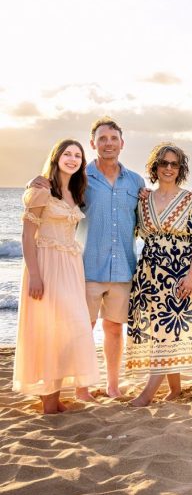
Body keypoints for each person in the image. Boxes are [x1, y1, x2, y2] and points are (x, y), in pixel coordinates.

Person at [30, 117, 145, 400]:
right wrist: (33, 183)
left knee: (115, 329)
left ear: (122, 143)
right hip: (86, 267)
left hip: (123, 268)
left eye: (113, 139)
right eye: (102, 139)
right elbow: (55, 194)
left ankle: (112, 386)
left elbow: (142, 222)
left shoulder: (135, 181)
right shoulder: (82, 177)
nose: (108, 144)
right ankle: (82, 388)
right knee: (82, 329)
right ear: (93, 143)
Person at [126, 143, 192, 406]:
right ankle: (176, 389)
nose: (168, 168)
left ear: (180, 169)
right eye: (164, 163)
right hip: (150, 274)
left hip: (181, 273)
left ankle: (147, 393)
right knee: (163, 333)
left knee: (166, 333)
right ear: (155, 167)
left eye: (174, 164)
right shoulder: (143, 200)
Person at [13, 139, 99, 413]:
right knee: (54, 331)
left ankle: (54, 395)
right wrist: (35, 276)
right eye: (67, 154)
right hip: (47, 266)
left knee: (69, 330)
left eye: (77, 156)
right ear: (56, 157)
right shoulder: (41, 190)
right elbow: (27, 236)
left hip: (71, 267)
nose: (72, 159)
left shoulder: (74, 192)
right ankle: (49, 399)